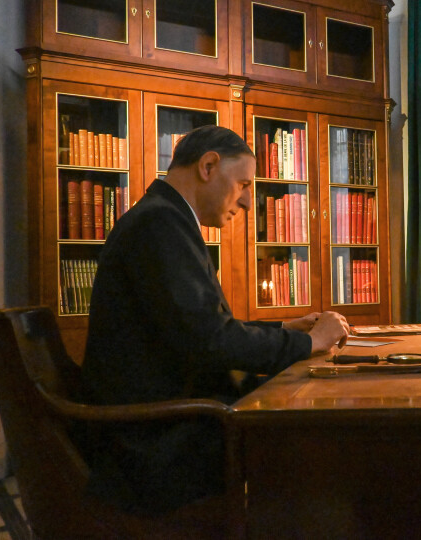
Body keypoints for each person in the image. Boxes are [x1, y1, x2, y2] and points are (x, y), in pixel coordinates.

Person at [81, 125, 349, 513]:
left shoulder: (163, 217)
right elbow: (210, 340)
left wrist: (284, 329)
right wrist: (309, 343)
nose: (246, 202)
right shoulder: (160, 223)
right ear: (208, 166)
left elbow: (201, 329)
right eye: (242, 184)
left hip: (164, 422)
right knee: (312, 438)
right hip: (154, 441)